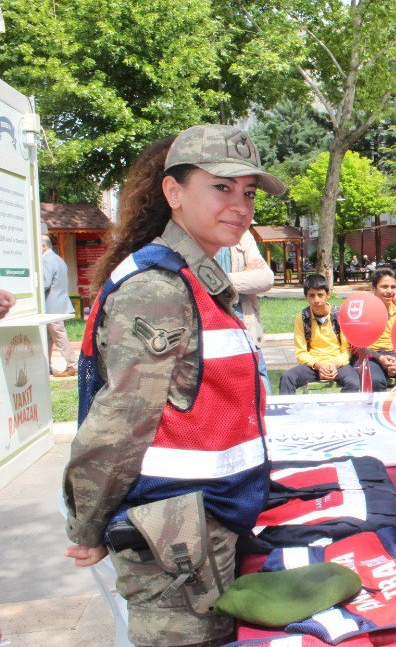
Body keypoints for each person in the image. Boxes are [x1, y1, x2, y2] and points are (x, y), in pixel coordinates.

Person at [63, 124, 286, 647]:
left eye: (248, 192)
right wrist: (88, 527)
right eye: (221, 187)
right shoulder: (158, 291)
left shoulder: (196, 278)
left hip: (205, 525)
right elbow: (118, 424)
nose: (240, 205)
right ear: (173, 193)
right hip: (175, 539)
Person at [278, 273, 359, 395]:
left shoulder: (339, 314)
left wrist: (334, 365)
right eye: (311, 295)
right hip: (313, 365)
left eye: (320, 295)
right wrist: (318, 365)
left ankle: (341, 411)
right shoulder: (302, 317)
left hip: (337, 363)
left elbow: (346, 350)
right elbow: (301, 352)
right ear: (306, 297)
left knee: (354, 383)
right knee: (287, 378)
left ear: (328, 295)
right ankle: (289, 412)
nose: (316, 300)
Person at [217, 230, 274, 392]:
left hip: (247, 329)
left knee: (261, 384)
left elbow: (266, 279)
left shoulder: (243, 235)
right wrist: (245, 276)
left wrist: (222, 282)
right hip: (214, 331)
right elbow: (196, 283)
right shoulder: (197, 232)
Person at [358, 268, 396, 390]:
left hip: (395, 355)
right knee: (376, 381)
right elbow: (356, 345)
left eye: (393, 287)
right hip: (370, 356)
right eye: (384, 287)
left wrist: (393, 361)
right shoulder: (362, 313)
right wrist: (380, 358)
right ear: (373, 289)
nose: (389, 291)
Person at [41, 234, 78, 377]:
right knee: (49, 337)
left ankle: (72, 364)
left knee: (59, 336)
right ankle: (47, 366)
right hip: (59, 303)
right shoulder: (58, 260)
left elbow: (45, 283)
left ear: (43, 247)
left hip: (51, 306)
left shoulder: (46, 260)